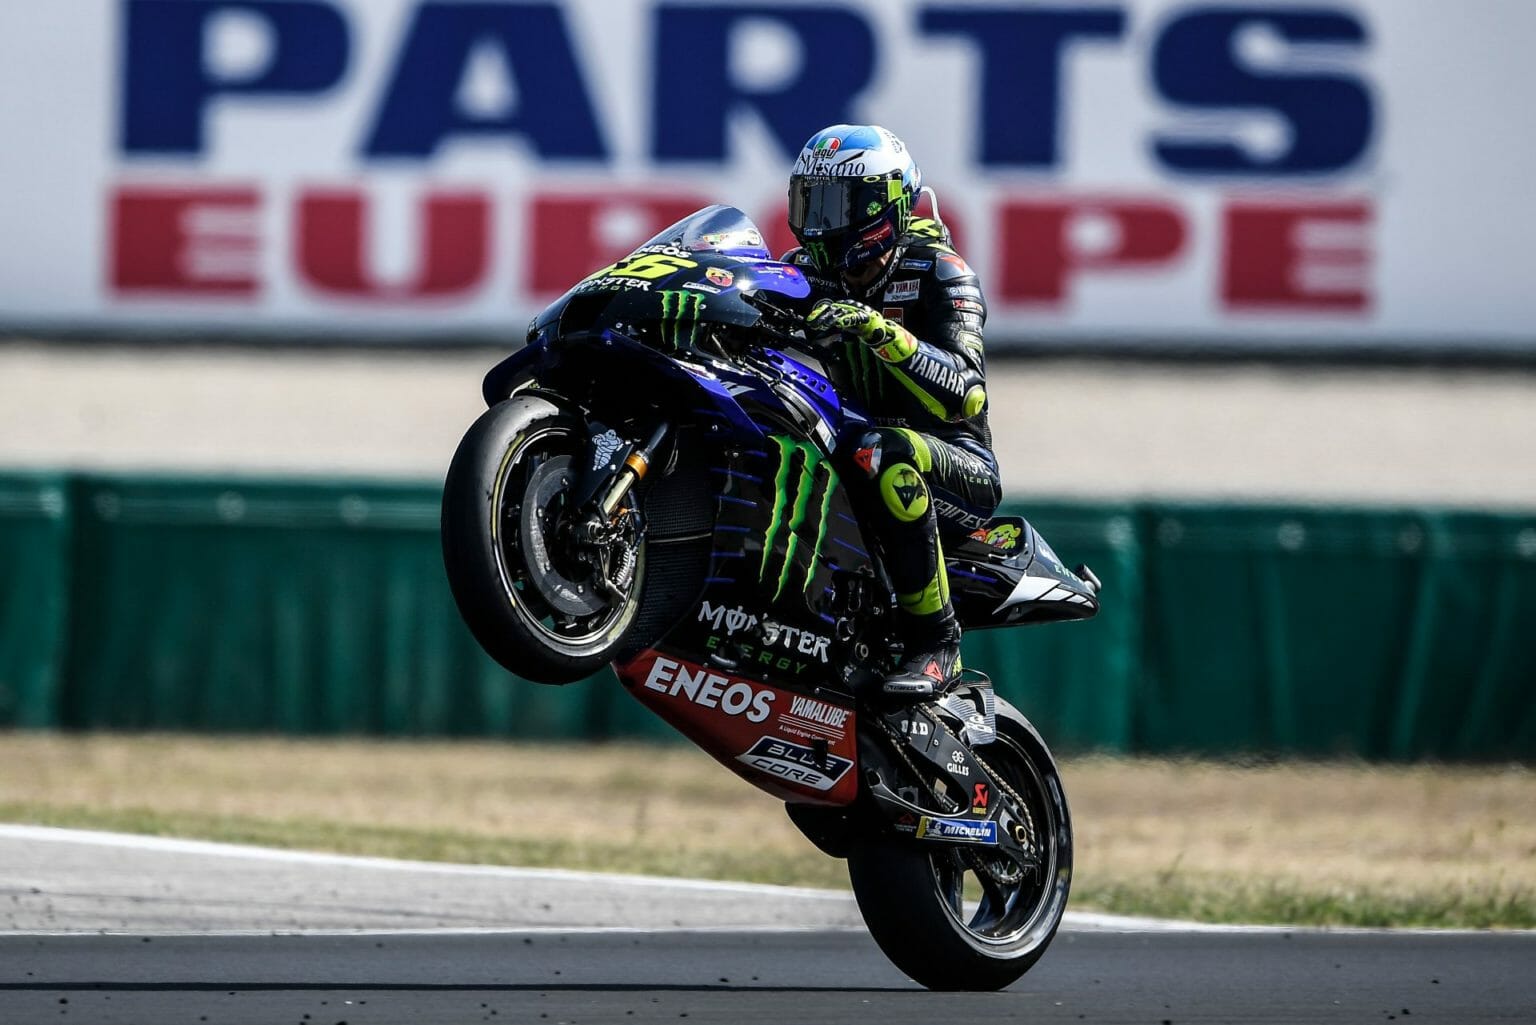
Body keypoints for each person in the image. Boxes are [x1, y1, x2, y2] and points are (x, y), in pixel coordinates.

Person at [782, 124, 1000, 698]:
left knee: (882, 451)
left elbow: (965, 394)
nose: (822, 222)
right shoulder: (803, 271)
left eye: (838, 204)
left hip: (955, 464)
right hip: (846, 445)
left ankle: (936, 644)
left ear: (883, 207)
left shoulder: (940, 272)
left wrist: (880, 332)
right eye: (812, 201)